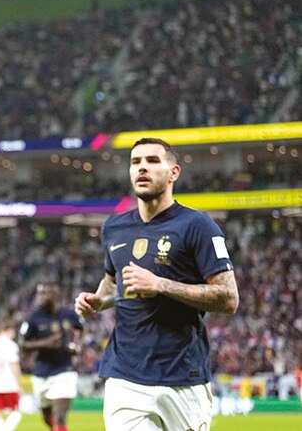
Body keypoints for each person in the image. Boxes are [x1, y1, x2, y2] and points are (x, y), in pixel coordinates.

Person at [75, 137, 239, 431]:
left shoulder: (198, 226)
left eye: (152, 161)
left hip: (182, 378)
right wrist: (99, 300)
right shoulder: (113, 227)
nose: (142, 168)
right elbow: (113, 282)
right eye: (135, 162)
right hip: (125, 376)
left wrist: (161, 285)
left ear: (174, 172)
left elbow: (228, 298)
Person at [20, 281, 82, 431]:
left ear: (55, 295)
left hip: (64, 370)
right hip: (41, 372)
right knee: (47, 417)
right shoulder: (32, 318)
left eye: (44, 293)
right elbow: (22, 345)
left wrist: (76, 345)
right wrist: (44, 343)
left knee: (60, 418)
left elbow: (80, 328)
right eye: (39, 293)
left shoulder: (69, 314)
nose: (40, 297)